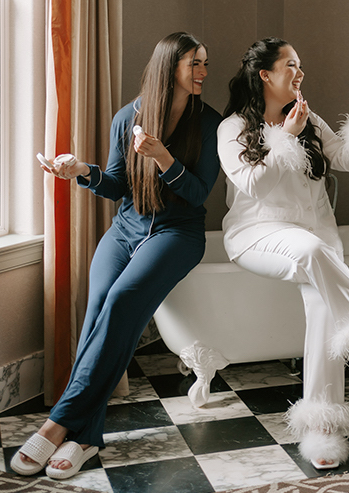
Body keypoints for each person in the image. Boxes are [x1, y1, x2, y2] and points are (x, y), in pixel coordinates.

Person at [12, 32, 222, 480]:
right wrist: (81, 171)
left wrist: (165, 158)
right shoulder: (127, 118)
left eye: (205, 63)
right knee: (99, 307)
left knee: (123, 298)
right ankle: (87, 438)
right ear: (170, 68)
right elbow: (115, 184)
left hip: (178, 234)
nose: (204, 71)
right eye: (195, 64)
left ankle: (56, 426)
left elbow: (199, 194)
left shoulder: (209, 124)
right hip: (127, 228)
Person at [217, 37, 349, 470]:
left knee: (325, 308)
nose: (300, 73)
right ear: (266, 75)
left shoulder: (306, 118)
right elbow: (253, 185)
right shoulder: (233, 128)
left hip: (315, 243)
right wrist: (286, 137)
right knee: (314, 252)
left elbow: (343, 158)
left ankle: (323, 429)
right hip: (257, 235)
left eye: (300, 65)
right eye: (291, 65)